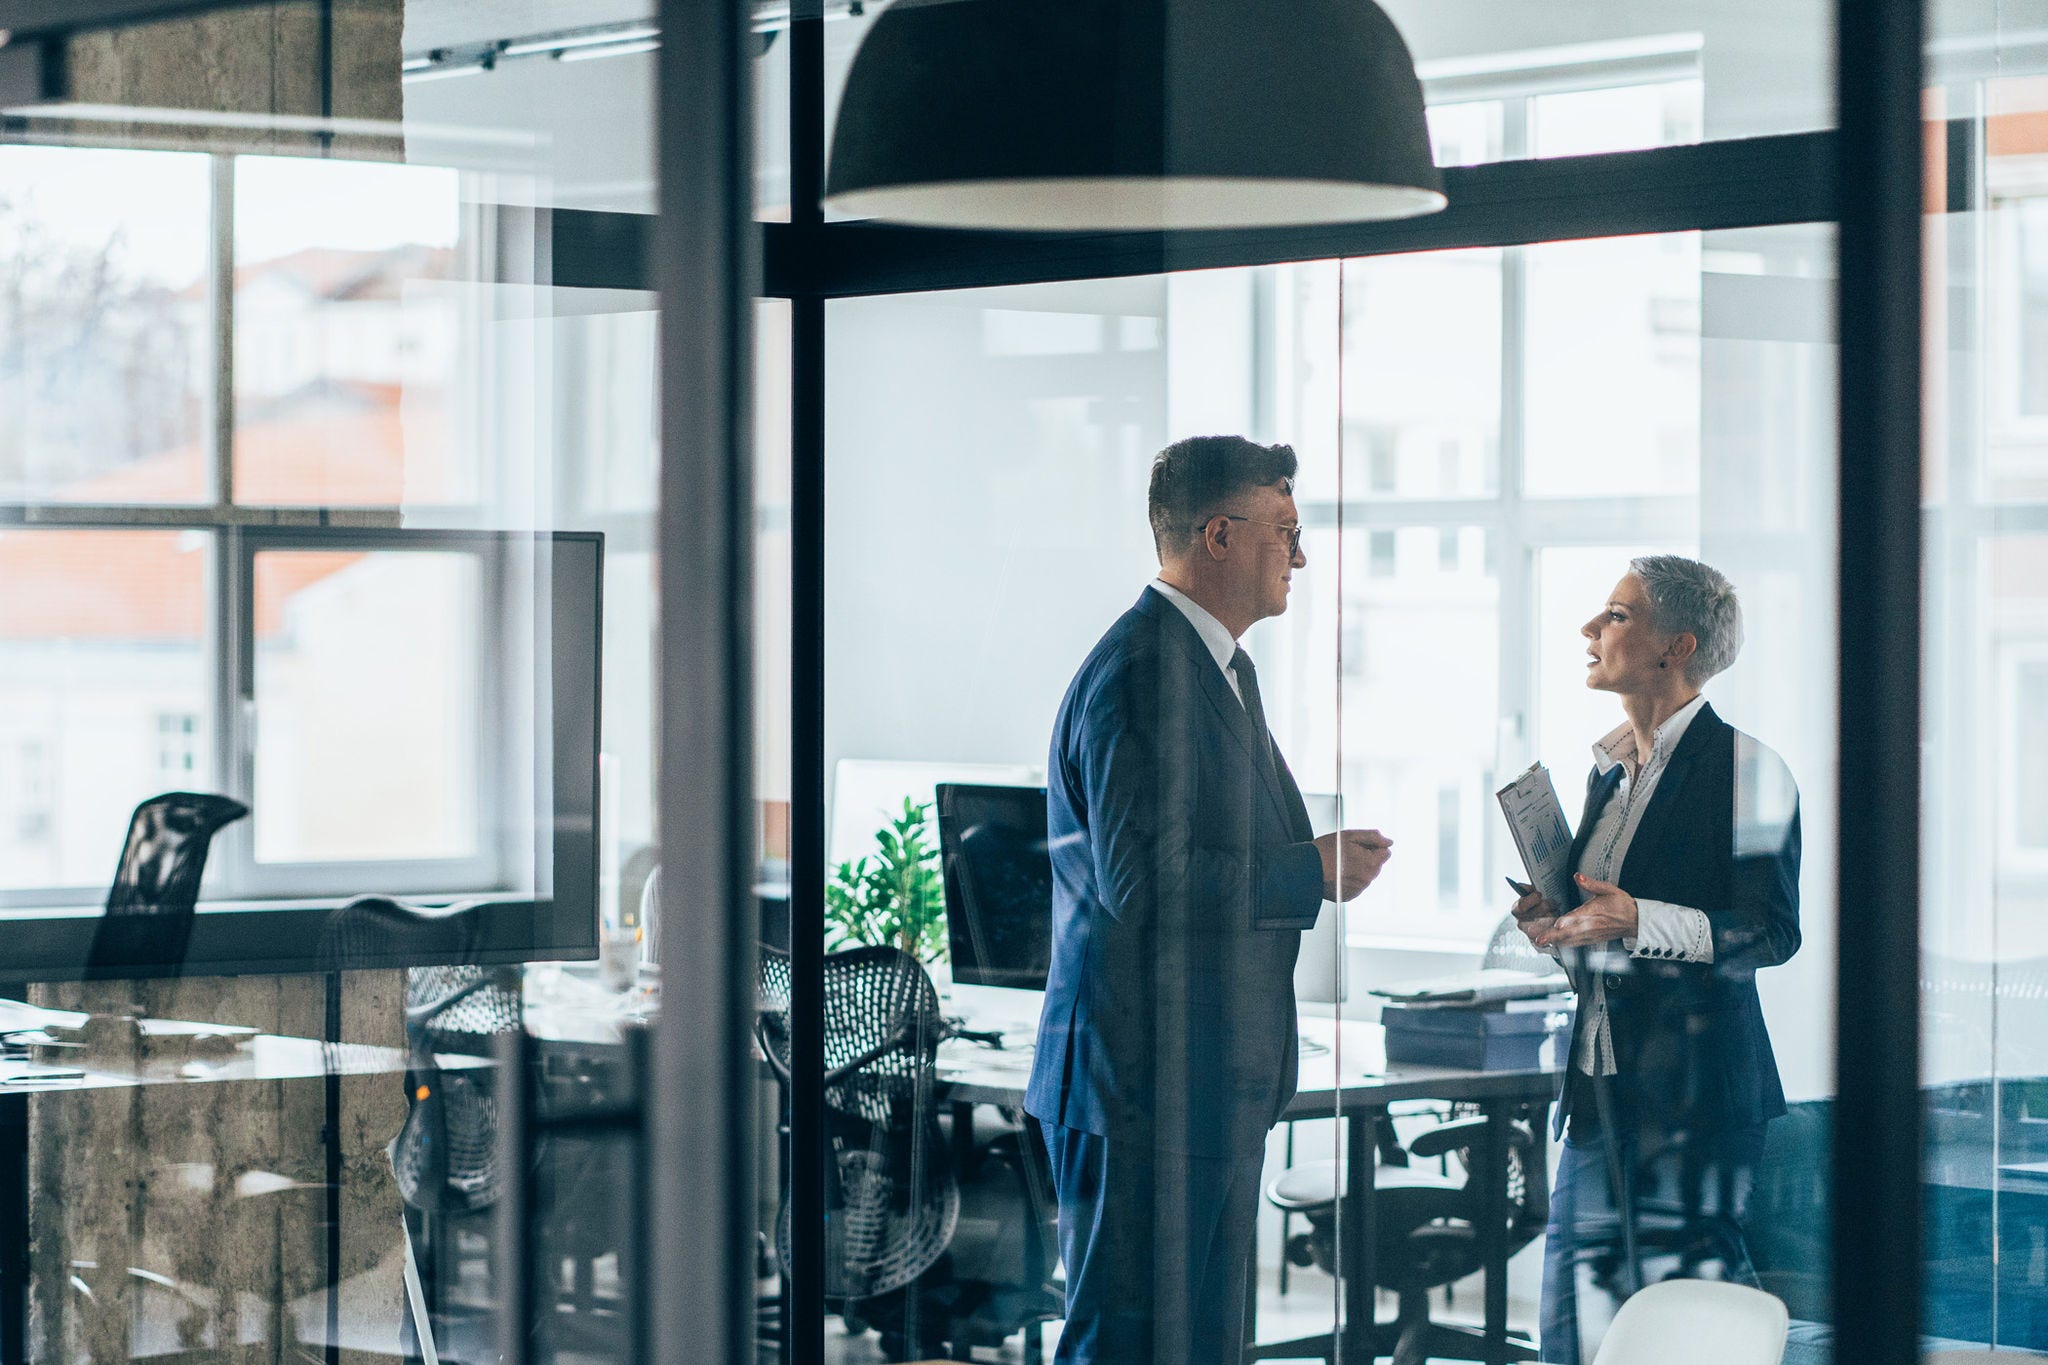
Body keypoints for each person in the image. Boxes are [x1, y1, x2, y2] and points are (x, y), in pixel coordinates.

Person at [1023, 434, 1392, 1365]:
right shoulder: (1144, 670)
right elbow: (1144, 882)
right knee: (1129, 1348)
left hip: (1199, 1091)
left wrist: (1308, 863)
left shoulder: (1221, 667)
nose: (1301, 557)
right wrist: (1310, 870)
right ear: (1220, 536)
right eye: (1286, 532)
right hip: (1143, 1091)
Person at [1511, 555, 1802, 1364]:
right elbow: (1606, 933)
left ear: (1676, 645)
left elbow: (1772, 931)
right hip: (1600, 1092)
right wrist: (1562, 925)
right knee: (1572, 1334)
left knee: (1681, 1338)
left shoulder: (1751, 771)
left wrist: (1640, 918)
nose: (1590, 630)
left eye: (1615, 614)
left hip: (1694, 1104)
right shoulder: (1607, 771)